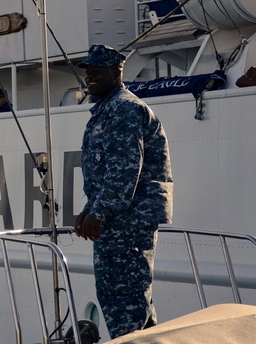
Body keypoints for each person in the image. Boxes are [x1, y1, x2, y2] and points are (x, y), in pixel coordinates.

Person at [73, 44, 173, 339]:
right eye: (88, 69)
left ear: (117, 72)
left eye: (97, 69)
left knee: (125, 306)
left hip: (127, 223)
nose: (90, 74)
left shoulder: (124, 109)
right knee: (125, 303)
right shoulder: (108, 108)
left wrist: (99, 211)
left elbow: (124, 170)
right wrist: (91, 209)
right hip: (117, 221)